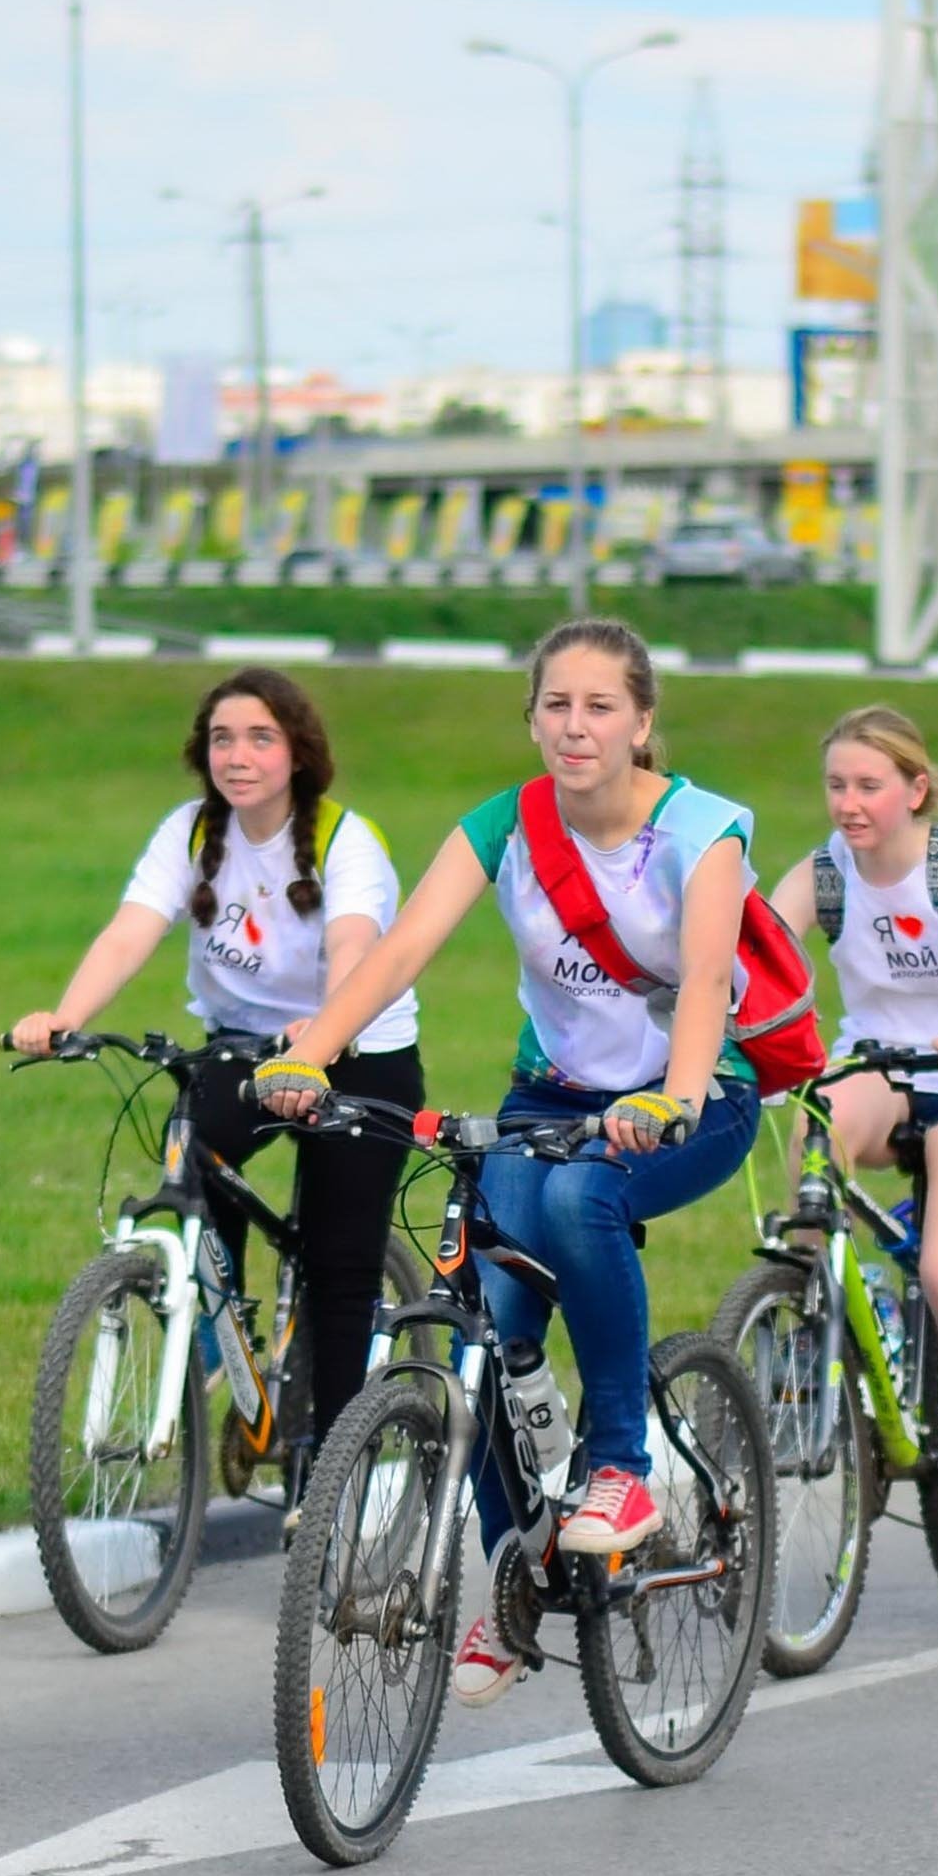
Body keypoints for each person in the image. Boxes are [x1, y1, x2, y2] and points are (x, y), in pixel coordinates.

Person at [258, 617, 766, 1706]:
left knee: (583, 1200)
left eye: (598, 708)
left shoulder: (701, 832)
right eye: (555, 706)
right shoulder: (505, 825)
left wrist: (674, 1096)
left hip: (691, 1100)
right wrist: (309, 1049)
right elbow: (399, 950)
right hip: (551, 1096)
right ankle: (515, 1572)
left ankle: (622, 1469)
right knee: (478, 1308)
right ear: (530, 716)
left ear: (641, 723)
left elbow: (712, 986)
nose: (573, 728)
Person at [8, 668, 425, 1468]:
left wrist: (324, 1036)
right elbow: (133, 928)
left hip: (360, 1053)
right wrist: (67, 1017)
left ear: (298, 752)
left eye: (260, 738)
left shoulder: (347, 840)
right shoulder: (194, 832)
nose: (237, 755)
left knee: (341, 1271)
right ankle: (225, 1344)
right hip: (242, 1047)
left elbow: (355, 948)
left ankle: (327, 1471)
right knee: (191, 1150)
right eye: (222, 739)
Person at [769, 704, 938, 1568]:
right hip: (881, 1067)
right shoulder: (822, 873)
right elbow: (755, 950)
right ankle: (820, 1323)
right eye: (836, 785)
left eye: (869, 786)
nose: (848, 803)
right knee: (817, 1131)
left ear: (916, 789)